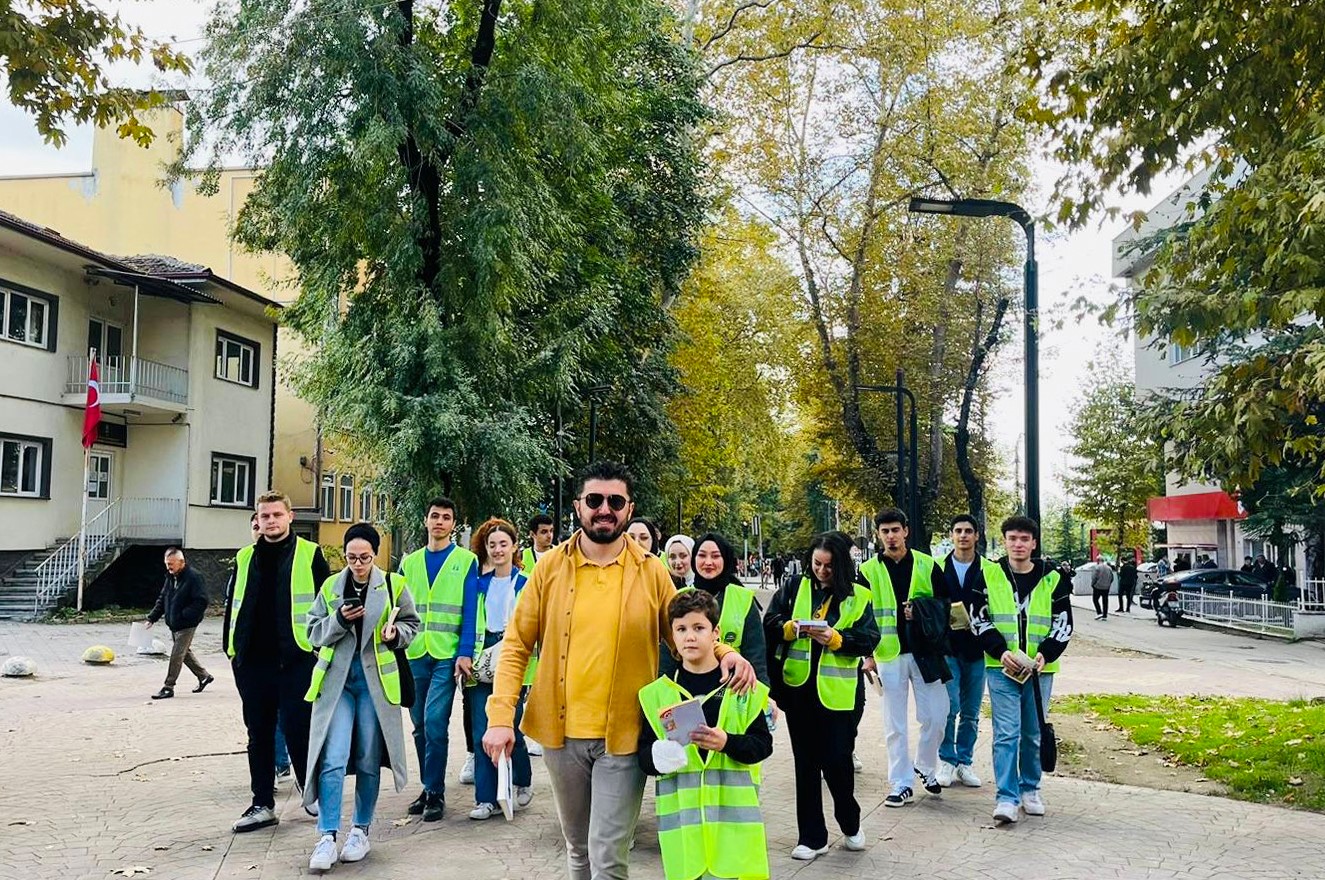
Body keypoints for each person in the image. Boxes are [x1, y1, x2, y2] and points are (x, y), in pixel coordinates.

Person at [481, 460, 756, 880]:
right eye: (594, 500)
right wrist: (501, 718)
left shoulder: (651, 571)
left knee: (607, 856)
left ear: (629, 508)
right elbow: (516, 646)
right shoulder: (549, 569)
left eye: (615, 501)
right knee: (578, 850)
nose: (604, 509)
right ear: (578, 506)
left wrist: (724, 653)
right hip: (560, 734)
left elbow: (680, 629)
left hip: (624, 736)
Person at [303, 523, 420, 870]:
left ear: (375, 555)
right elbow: (312, 632)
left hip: (376, 685)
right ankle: (326, 835)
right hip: (338, 682)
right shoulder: (330, 587)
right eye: (352, 557)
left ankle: (360, 829)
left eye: (365, 557)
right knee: (333, 756)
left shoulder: (394, 585)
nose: (358, 564)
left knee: (369, 755)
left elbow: (412, 625)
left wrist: (395, 632)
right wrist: (338, 620)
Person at [638, 590, 773, 880]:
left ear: (716, 633)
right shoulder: (656, 695)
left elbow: (763, 745)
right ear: (670, 636)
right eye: (681, 629)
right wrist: (659, 756)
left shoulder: (742, 689)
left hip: (733, 837)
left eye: (699, 628)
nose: (690, 637)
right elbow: (643, 757)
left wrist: (727, 742)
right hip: (686, 841)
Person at [764, 531, 878, 860]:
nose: (821, 571)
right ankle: (812, 837)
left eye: (829, 566)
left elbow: (869, 638)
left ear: (841, 566)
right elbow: (769, 621)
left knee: (837, 762)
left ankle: (850, 822)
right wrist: (790, 628)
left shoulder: (859, 596)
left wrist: (836, 639)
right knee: (806, 765)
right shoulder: (793, 587)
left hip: (838, 696)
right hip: (798, 691)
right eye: (816, 563)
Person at [223, 490, 332, 832]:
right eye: (264, 516)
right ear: (258, 519)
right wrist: (233, 652)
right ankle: (261, 803)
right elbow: (233, 606)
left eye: (276, 515)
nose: (270, 521)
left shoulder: (310, 554)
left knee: (300, 730)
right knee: (259, 733)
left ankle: (309, 792)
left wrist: (320, 654)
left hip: (296, 659)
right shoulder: (244, 557)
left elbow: (327, 605)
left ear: (289, 517)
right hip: (252, 662)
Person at [971, 515, 1073, 824]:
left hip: (1041, 669)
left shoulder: (1053, 576)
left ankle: (1031, 789)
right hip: (1001, 668)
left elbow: (1064, 623)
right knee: (1006, 733)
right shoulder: (988, 574)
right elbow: (979, 619)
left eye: (1024, 539)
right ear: (1004, 541)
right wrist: (1000, 652)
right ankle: (1006, 796)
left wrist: (1045, 654)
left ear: (1034, 543)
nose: (1018, 544)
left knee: (1032, 732)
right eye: (1012, 538)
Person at [858, 508, 949, 806]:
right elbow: (861, 614)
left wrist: (920, 610)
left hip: (924, 652)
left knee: (937, 716)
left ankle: (924, 766)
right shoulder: (868, 571)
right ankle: (900, 783)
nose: (890, 536)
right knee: (894, 723)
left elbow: (946, 605)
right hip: (888, 653)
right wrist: (867, 655)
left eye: (895, 530)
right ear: (878, 535)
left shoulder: (928, 564)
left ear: (906, 531)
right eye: (884, 531)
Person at [399, 497, 479, 822]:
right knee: (419, 726)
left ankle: (436, 793)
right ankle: (427, 785)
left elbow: (471, 610)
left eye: (446, 517)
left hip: (447, 655)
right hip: (415, 652)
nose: (439, 522)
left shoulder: (466, 560)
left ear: (453, 525)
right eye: (434, 516)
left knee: (435, 722)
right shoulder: (409, 563)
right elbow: (399, 607)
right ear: (425, 520)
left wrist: (465, 651)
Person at [465, 518, 535, 820]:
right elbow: (469, 620)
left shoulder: (527, 583)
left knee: (512, 727)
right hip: (482, 661)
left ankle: (521, 779)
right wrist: (465, 654)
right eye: (492, 545)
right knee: (483, 729)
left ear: (514, 546)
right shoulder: (479, 584)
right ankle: (486, 798)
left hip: (514, 659)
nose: (497, 550)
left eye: (503, 544)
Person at [664, 532, 768, 685]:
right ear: (694, 559)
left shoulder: (743, 598)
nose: (708, 562)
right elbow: (668, 653)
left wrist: (763, 695)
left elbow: (756, 654)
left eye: (715, 556)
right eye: (702, 555)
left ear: (725, 559)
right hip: (687, 688)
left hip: (735, 688)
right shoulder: (678, 598)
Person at [935, 515, 990, 788]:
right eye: (958, 531)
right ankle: (946, 758)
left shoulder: (988, 569)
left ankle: (964, 762)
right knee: (949, 707)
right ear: (951, 535)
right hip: (948, 647)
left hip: (978, 649)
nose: (963, 535)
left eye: (969, 531)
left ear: (977, 536)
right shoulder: (938, 568)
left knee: (970, 710)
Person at [145, 547, 214, 700]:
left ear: (181, 562)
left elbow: (201, 601)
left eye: (171, 564)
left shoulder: (194, 577)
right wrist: (152, 618)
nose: (168, 567)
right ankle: (204, 676)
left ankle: (168, 687)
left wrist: (184, 616)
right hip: (174, 622)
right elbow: (163, 598)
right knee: (184, 653)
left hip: (187, 624)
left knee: (177, 654)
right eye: (166, 564)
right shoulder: (170, 577)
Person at [1091, 556, 1113, 620]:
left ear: (1098, 560)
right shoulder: (1109, 568)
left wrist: (1093, 584)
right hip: (1106, 587)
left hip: (1098, 586)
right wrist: (1108, 584)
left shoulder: (1097, 567)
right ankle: (1105, 615)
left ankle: (1099, 612)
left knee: (1095, 599)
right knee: (1105, 601)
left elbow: (1094, 577)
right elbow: (1112, 578)